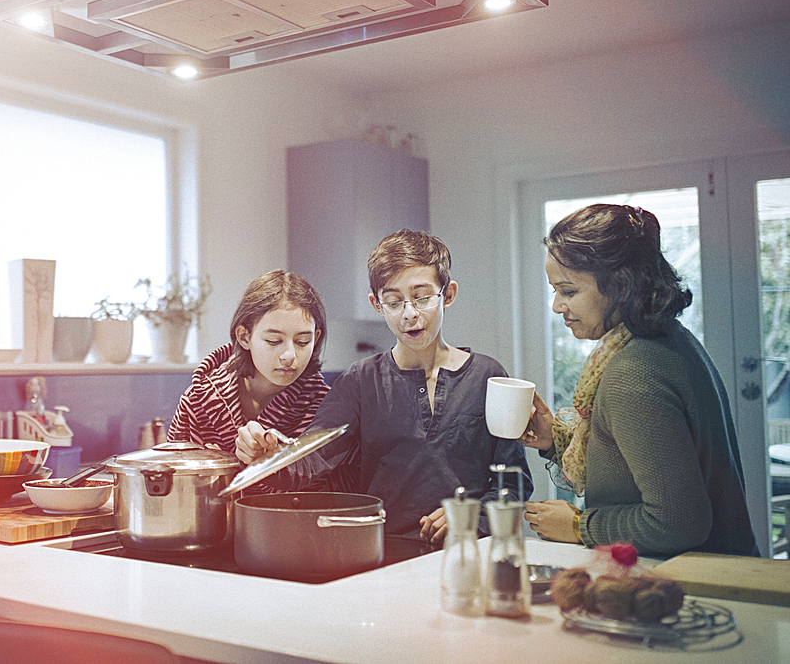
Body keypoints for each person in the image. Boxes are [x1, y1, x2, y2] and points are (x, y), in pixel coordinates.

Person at [236, 230, 533, 543]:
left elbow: (513, 482)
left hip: (470, 552)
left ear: (447, 294)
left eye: (422, 297)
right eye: (393, 302)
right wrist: (268, 455)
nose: (409, 314)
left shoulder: (488, 376)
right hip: (386, 556)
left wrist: (473, 514)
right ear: (376, 305)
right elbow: (310, 461)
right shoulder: (359, 382)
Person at [520, 203, 758, 557]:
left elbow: (678, 523)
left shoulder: (632, 372)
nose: (557, 305)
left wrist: (578, 526)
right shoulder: (668, 339)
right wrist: (554, 441)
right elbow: (637, 462)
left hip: (687, 586)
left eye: (568, 291)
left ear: (620, 285)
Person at [167, 270, 330, 491]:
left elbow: (334, 490)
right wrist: (211, 470)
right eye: (274, 341)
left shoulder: (326, 406)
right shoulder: (198, 400)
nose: (289, 355)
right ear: (244, 337)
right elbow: (172, 478)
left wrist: (277, 463)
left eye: (302, 341)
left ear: (316, 338)